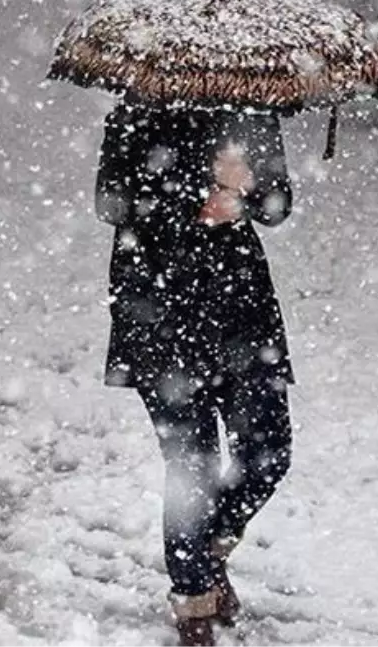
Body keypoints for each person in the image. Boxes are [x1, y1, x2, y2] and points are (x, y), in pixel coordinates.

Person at [95, 97, 295, 646]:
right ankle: (192, 605)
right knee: (193, 469)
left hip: (241, 313)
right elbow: (112, 203)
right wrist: (201, 191)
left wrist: (246, 191)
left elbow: (279, 205)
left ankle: (209, 549)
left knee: (268, 453)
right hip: (159, 313)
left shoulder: (252, 112)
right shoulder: (134, 114)